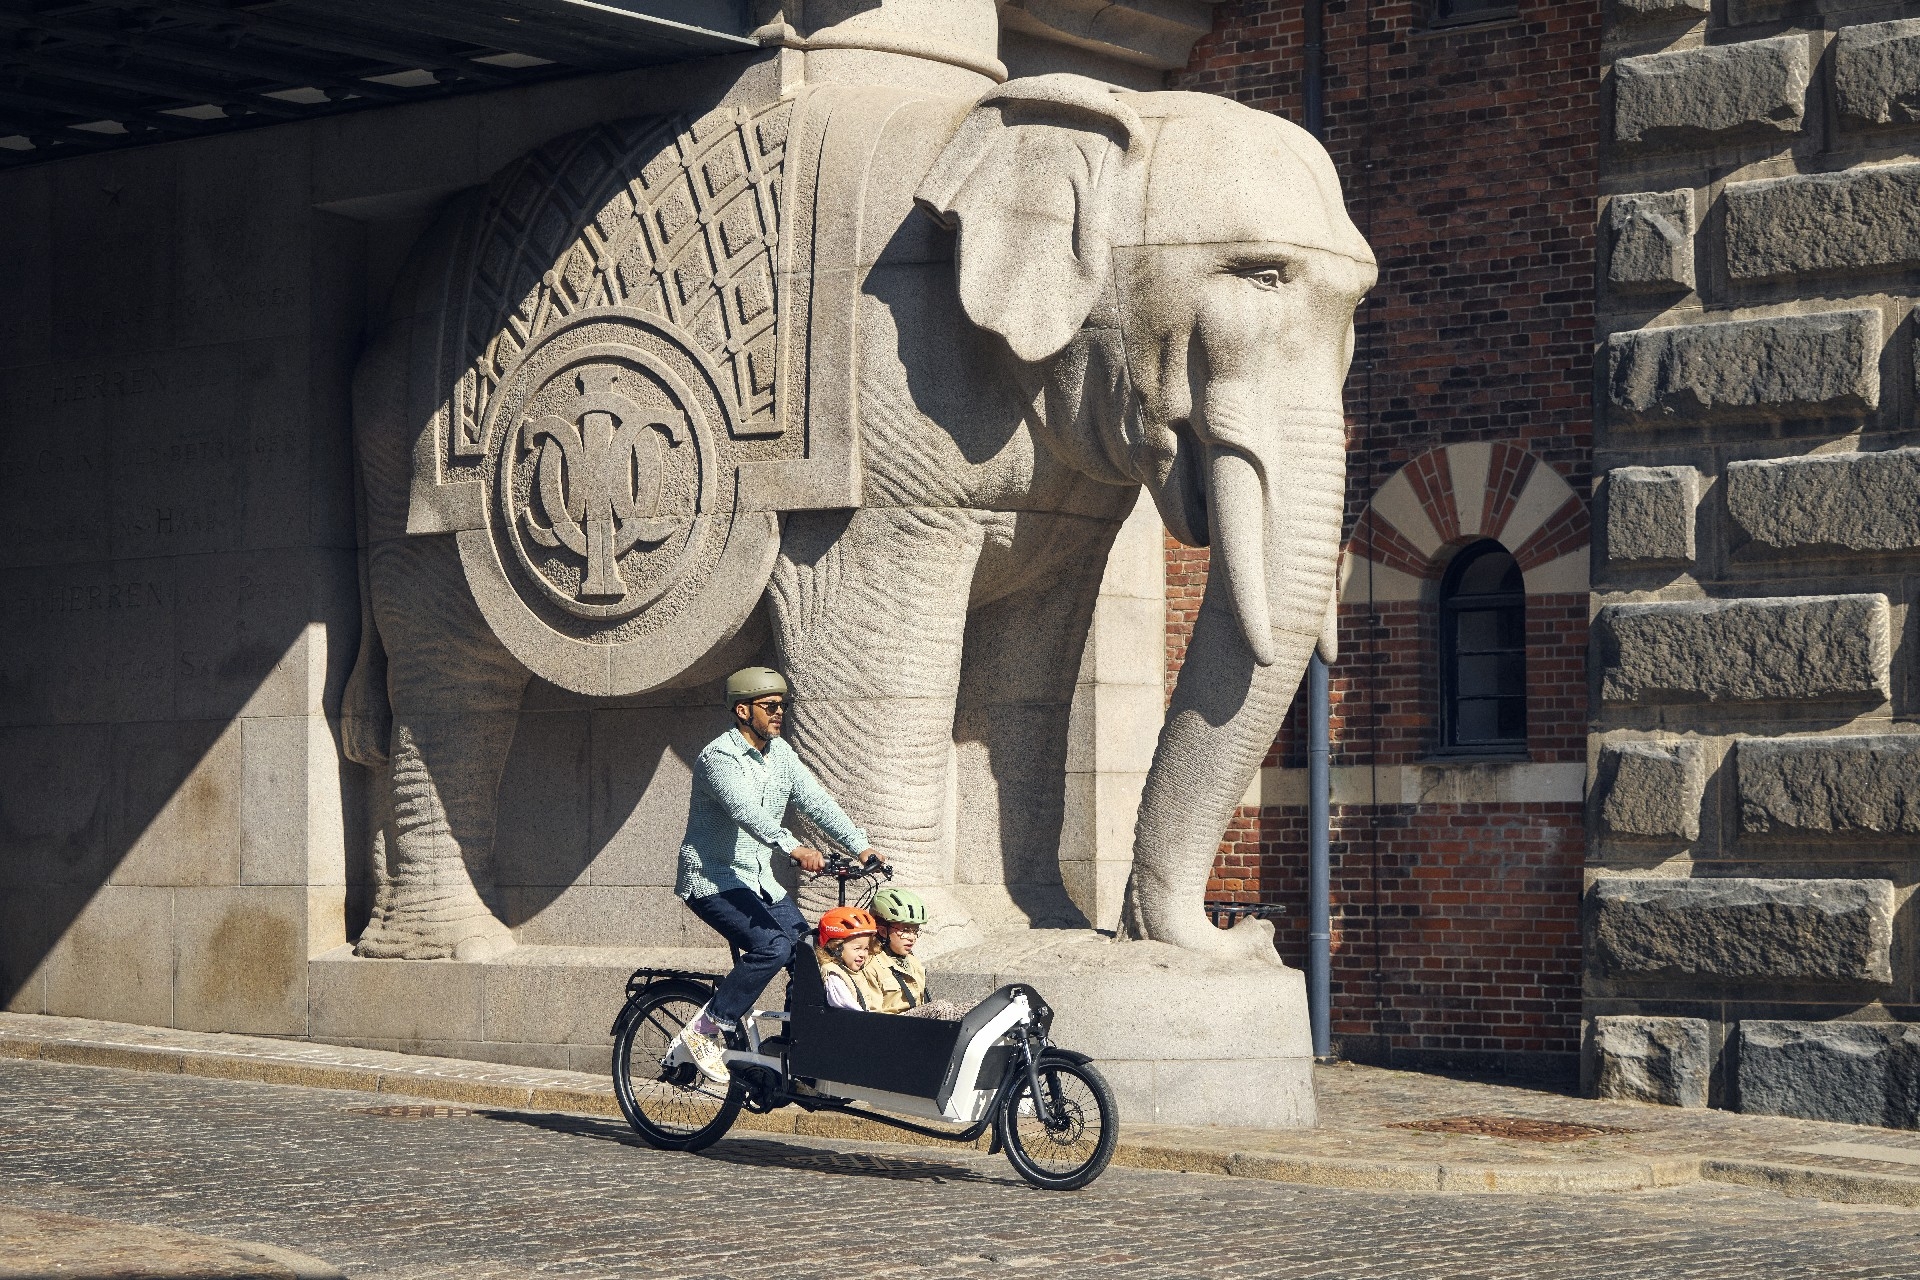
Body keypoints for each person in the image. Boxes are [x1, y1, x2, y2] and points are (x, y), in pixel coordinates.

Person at [674, 666, 886, 1081]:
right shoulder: (718, 757)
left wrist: (861, 846)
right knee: (772, 947)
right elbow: (744, 812)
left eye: (782, 707)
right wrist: (793, 846)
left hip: (759, 883)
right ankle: (705, 1029)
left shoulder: (781, 755)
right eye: (769, 706)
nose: (778, 714)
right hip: (712, 879)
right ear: (741, 710)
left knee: (809, 953)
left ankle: (798, 1051)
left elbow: (817, 802)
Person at [857, 886, 963, 1021]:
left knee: (976, 1008)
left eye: (915, 931)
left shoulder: (912, 961)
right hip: (895, 1027)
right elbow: (873, 1017)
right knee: (940, 1008)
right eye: (905, 930)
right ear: (883, 931)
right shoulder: (871, 964)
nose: (912, 937)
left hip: (917, 1024)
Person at [815, 906, 881, 1010]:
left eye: (866, 948)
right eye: (857, 948)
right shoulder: (834, 976)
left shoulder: (855, 969)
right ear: (836, 947)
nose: (863, 954)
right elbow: (851, 1009)